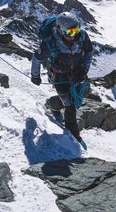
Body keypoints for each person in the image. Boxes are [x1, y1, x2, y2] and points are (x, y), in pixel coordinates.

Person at [31, 12, 92, 149]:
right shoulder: (50, 42)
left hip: (78, 73)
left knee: (78, 96)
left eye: (76, 29)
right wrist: (35, 76)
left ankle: (53, 104)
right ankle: (75, 138)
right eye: (71, 31)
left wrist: (84, 70)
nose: (75, 34)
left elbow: (89, 52)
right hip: (60, 76)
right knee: (70, 107)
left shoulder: (82, 36)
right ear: (60, 30)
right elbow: (37, 58)